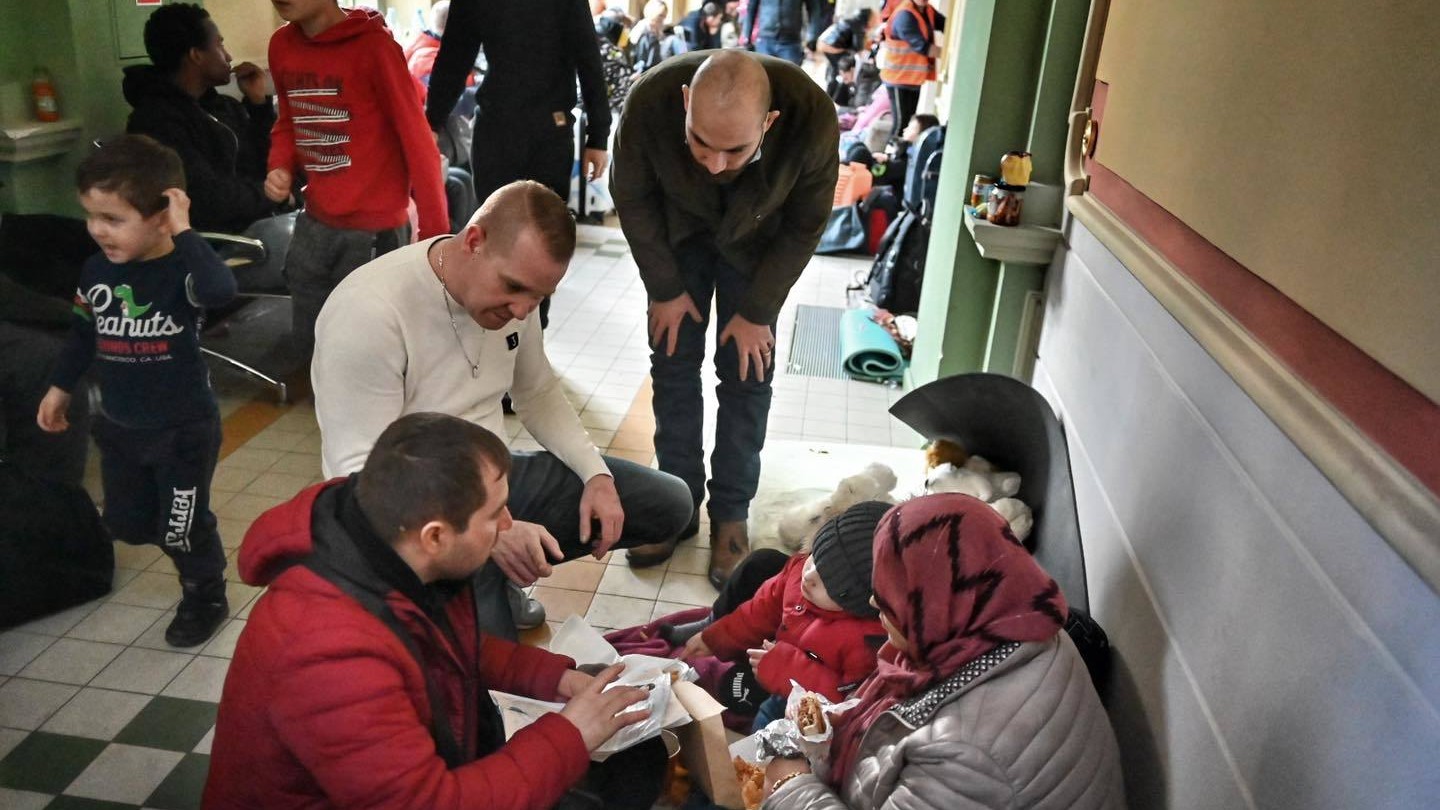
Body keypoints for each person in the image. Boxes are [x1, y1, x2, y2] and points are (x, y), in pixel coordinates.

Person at [203, 412, 666, 809]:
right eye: (495, 515)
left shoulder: (384, 541)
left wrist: (554, 678)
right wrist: (571, 734)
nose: (509, 525)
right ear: (436, 536)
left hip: (418, 772)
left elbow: (443, 646)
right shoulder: (327, 654)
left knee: (638, 760)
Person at [311, 181, 694, 634]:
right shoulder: (369, 312)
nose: (521, 310)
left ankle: (494, 573)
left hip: (494, 481)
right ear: (474, 241)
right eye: (513, 288)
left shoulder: (517, 302)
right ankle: (483, 580)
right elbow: (359, 478)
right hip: (418, 522)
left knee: (670, 503)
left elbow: (536, 392)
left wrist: (596, 474)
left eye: (538, 297)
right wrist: (489, 532)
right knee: (486, 668)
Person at [610, 50, 838, 586]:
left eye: (735, 150)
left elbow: (806, 224)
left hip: (759, 247)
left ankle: (731, 514)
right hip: (675, 236)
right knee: (671, 363)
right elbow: (633, 198)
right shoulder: (648, 101)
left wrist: (758, 311)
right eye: (699, 143)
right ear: (685, 102)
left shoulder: (810, 115)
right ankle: (676, 503)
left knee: (747, 373)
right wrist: (664, 289)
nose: (714, 164)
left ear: (769, 123)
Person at [759, 493, 1126, 809]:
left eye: (892, 595)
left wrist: (788, 785)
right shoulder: (1018, 626)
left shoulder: (968, 754)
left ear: (935, 604)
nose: (873, 601)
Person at [37, 135, 238, 647]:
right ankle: (177, 535)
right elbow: (84, 334)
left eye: (114, 219)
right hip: (120, 427)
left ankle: (205, 593)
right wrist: (61, 386)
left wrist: (186, 232)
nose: (98, 231)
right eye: (91, 216)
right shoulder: (97, 270)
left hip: (183, 431)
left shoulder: (183, 270)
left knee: (182, 526)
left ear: (162, 214)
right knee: (126, 522)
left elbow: (221, 291)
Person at [264, 0, 447, 358]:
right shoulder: (282, 45)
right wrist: (280, 164)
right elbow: (288, 118)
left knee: (366, 353)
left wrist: (435, 237)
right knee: (312, 348)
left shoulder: (374, 48)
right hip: (314, 222)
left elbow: (418, 142)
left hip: (372, 231)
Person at [677, 501, 890, 730]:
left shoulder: (869, 642)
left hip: (805, 692)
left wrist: (787, 671)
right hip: (779, 654)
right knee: (761, 562)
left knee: (751, 710)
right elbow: (760, 609)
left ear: (862, 600)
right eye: (816, 556)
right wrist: (715, 638)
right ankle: (715, 626)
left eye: (830, 581)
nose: (809, 574)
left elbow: (849, 702)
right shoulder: (800, 572)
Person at [124, 2, 281, 234]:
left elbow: (266, 162)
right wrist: (274, 195)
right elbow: (208, 199)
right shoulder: (156, 122)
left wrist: (258, 104)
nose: (228, 56)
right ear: (196, 55)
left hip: (260, 223)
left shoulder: (224, 107)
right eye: (219, 44)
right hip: (219, 243)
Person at [876, 0, 943, 136]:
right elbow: (922, 47)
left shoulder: (927, 10)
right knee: (901, 123)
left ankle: (899, 153)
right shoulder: (904, 15)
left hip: (912, 78)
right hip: (897, 78)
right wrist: (951, 52)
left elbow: (946, 24)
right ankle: (891, 154)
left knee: (908, 122)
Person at [744, 0, 828, 65]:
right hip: (765, 41)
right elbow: (751, 9)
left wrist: (812, 37)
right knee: (764, 80)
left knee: (790, 81)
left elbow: (814, 9)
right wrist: (747, 37)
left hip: (791, 43)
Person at [816, 7, 876, 81]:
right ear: (867, 19)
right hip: (830, 46)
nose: (875, 21)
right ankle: (837, 83)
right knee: (842, 68)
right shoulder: (858, 26)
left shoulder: (852, 21)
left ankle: (833, 79)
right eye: (873, 19)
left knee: (836, 66)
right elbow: (858, 48)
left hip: (823, 41)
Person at [630, 1, 689, 74]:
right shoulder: (642, 29)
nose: (662, 19)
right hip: (644, 66)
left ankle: (685, 62)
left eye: (664, 16)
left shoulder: (657, 28)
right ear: (652, 13)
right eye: (660, 15)